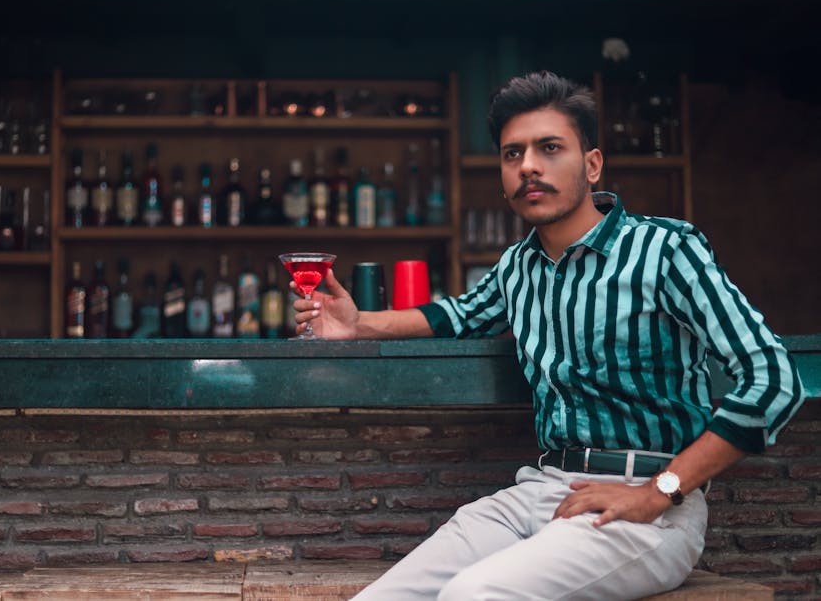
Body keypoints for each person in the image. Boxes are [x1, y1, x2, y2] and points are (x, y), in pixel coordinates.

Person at [291, 71, 806, 600]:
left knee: (475, 595)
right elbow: (459, 314)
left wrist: (660, 491)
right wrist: (357, 324)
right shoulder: (519, 266)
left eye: (549, 148)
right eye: (513, 154)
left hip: (649, 507)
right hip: (542, 488)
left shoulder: (664, 250)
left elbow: (774, 381)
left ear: (591, 163)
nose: (529, 166)